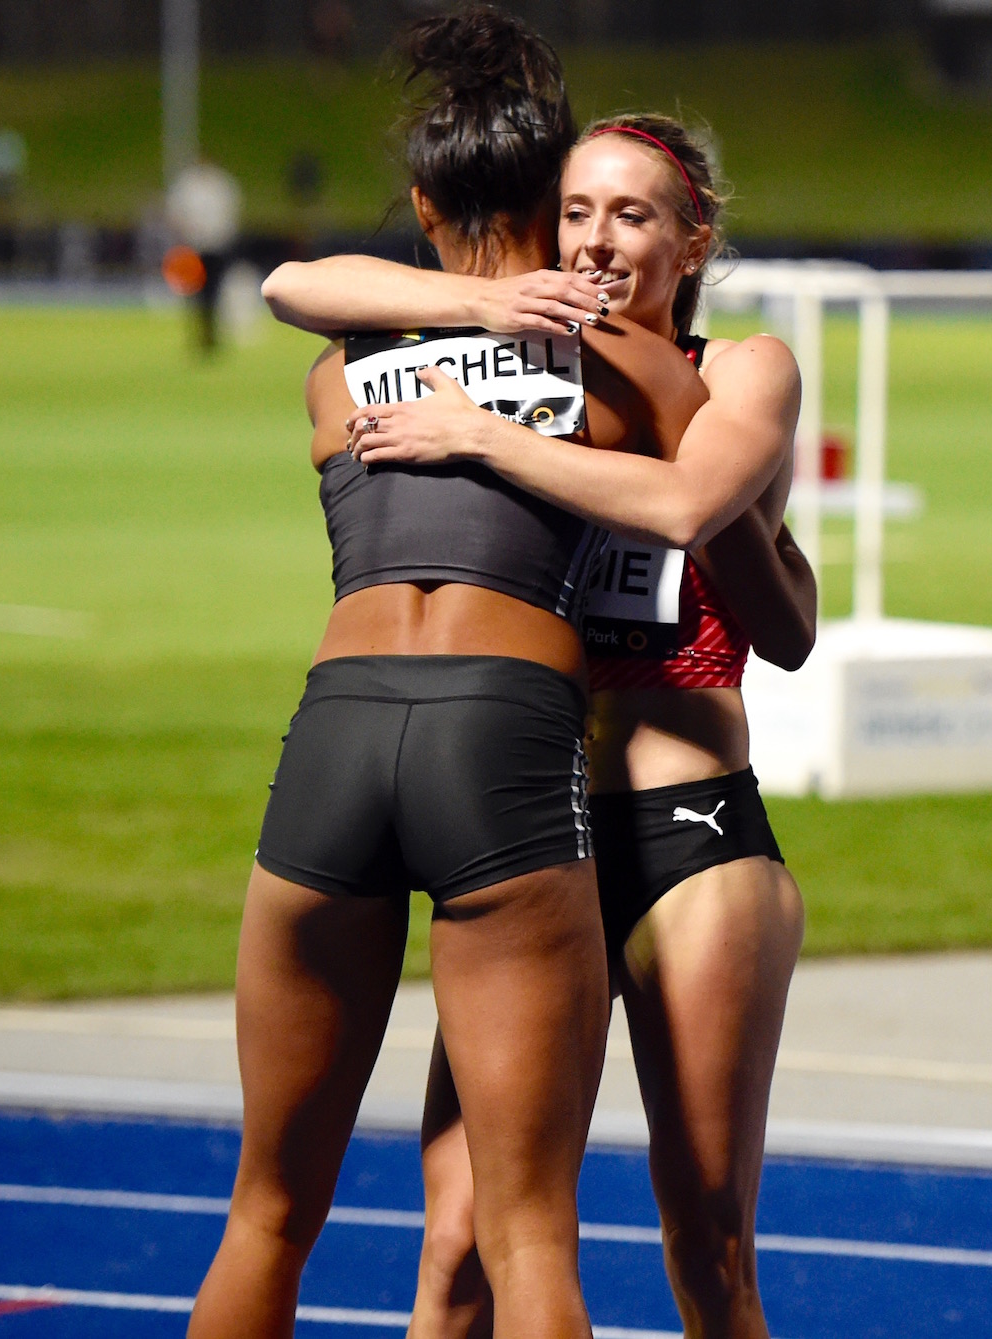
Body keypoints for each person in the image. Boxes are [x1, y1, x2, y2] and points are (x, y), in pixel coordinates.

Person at [188, 12, 710, 1339]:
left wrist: (461, 304)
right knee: (529, 1230)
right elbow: (715, 498)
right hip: (507, 730)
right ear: (559, 212)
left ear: (420, 204)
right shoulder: (627, 365)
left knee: (265, 1213)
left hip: (337, 732)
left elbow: (303, 283)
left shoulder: (332, 376)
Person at [267, 112, 812, 1339]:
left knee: (707, 1243)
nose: (599, 240)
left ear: (693, 238)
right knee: (457, 1241)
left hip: (689, 837)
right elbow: (301, 285)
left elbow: (707, 537)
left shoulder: (740, 370)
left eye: (633, 215)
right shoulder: (532, 352)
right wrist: (483, 328)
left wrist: (479, 437)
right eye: (576, 213)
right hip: (530, 837)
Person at [165, 156, 243, 353]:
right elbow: (176, 213)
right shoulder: (188, 184)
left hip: (216, 246)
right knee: (194, 292)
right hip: (194, 246)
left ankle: (211, 333)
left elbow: (230, 213)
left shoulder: (222, 184)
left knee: (214, 291)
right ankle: (200, 333)